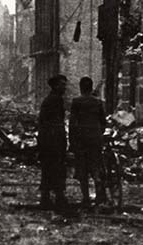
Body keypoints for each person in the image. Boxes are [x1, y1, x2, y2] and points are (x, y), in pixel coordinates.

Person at [69, 76, 106, 207]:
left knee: (82, 169)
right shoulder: (98, 102)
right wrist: (98, 134)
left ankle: (86, 198)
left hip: (81, 140)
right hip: (95, 140)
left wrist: (72, 141)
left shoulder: (76, 102)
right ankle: (99, 195)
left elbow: (72, 123)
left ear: (81, 88)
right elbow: (103, 123)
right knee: (96, 167)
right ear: (91, 87)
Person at [37, 74, 68, 209]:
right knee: (56, 168)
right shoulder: (54, 100)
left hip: (49, 139)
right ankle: (58, 197)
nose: (64, 87)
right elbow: (53, 122)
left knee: (49, 168)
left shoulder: (52, 99)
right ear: (55, 86)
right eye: (62, 84)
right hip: (52, 140)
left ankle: (47, 197)